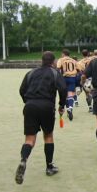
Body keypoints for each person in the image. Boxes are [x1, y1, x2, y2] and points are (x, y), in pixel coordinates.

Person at [15, 51, 67, 185]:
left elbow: (22, 90)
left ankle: (23, 160)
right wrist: (61, 105)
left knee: (30, 139)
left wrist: (28, 101)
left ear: (41, 60)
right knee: (48, 136)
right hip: (46, 106)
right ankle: (49, 167)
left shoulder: (31, 73)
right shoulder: (55, 73)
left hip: (30, 106)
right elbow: (63, 90)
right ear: (53, 62)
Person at [57, 49, 79, 121]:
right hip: (72, 78)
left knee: (65, 95)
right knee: (71, 94)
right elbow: (79, 69)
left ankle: (67, 109)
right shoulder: (74, 60)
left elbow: (58, 68)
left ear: (63, 54)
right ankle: (70, 108)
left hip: (64, 78)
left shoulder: (61, 60)